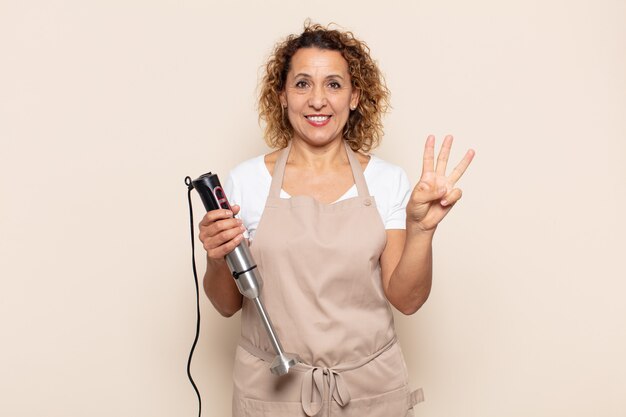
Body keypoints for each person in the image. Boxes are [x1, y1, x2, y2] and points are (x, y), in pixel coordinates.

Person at [199, 22, 474, 417]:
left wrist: (421, 231)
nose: (317, 101)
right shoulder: (246, 181)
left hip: (367, 391)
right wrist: (215, 254)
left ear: (355, 96)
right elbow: (226, 304)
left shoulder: (387, 180)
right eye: (302, 84)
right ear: (281, 96)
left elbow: (407, 300)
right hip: (272, 392)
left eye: (333, 84)